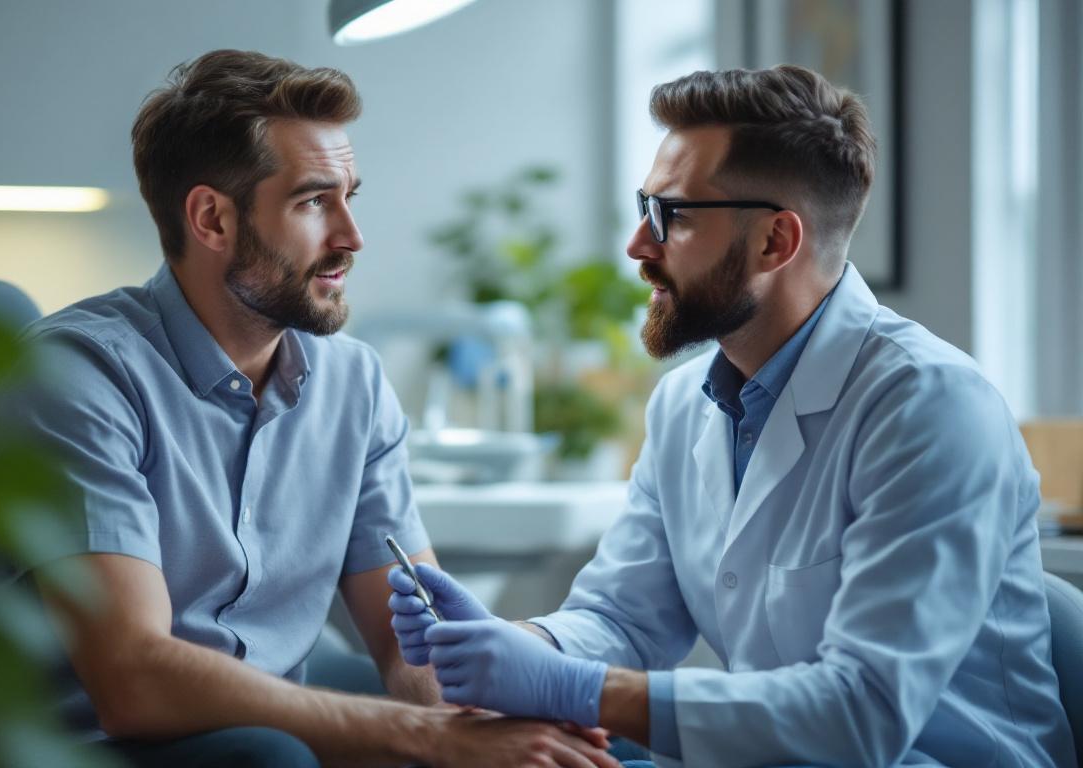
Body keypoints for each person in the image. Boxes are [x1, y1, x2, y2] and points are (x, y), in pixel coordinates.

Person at [389, 65, 1077, 767]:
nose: (638, 245)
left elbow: (862, 713)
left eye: (673, 215)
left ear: (775, 242)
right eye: (644, 207)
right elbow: (623, 616)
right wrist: (526, 645)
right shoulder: (686, 405)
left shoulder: (930, 407)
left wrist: (576, 688)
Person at [0, 49, 619, 768]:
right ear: (212, 219)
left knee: (588, 739)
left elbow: (412, 650)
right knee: (271, 758)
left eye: (350, 195)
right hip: (79, 747)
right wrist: (425, 737)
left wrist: (501, 727)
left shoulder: (354, 384)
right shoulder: (79, 372)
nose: (352, 235)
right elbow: (134, 682)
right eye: (314, 201)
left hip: (269, 739)